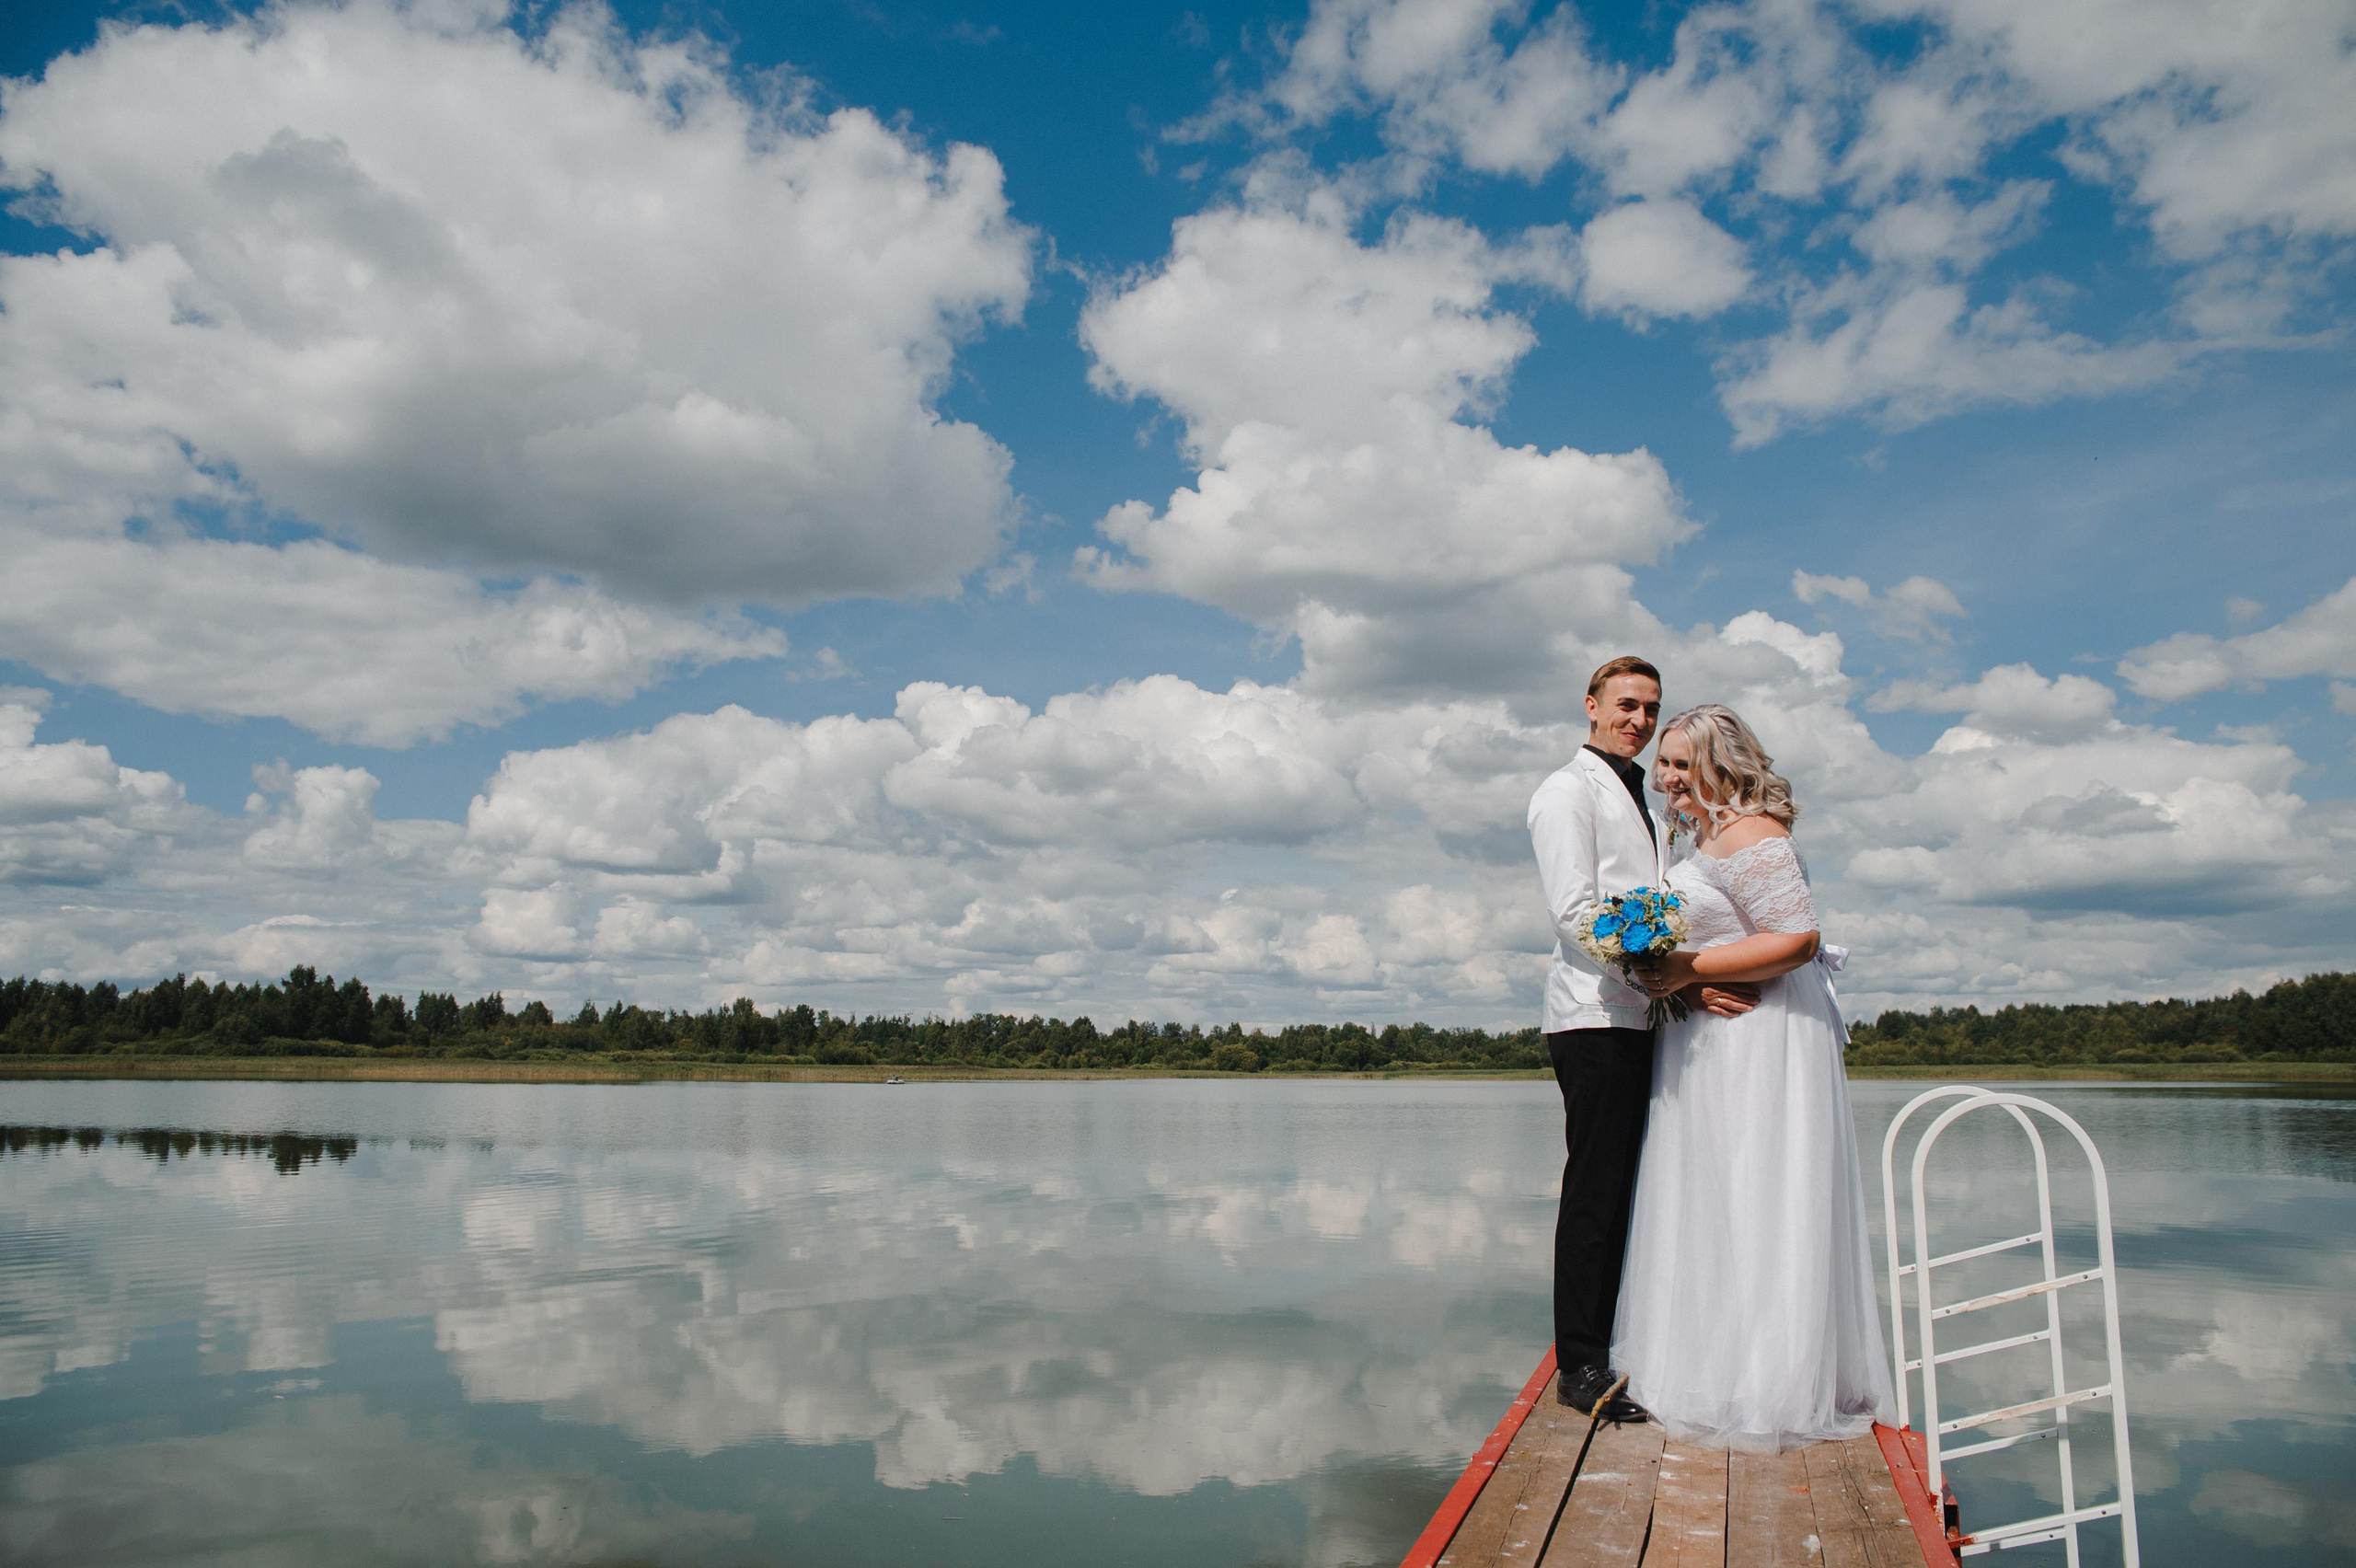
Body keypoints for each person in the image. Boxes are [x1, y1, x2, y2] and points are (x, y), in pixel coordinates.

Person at [1611, 704, 1897, 1450]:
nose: (1667, 777)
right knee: (1712, 1195)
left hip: (1761, 1040)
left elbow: (1797, 939)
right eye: (1665, 763)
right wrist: (1663, 972)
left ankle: (1771, 1380)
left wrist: (1684, 968)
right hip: (1708, 1041)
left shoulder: (1753, 834)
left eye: (1681, 763)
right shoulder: (1700, 836)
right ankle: (1711, 1364)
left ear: (1721, 765)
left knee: (1758, 1190)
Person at [1527, 658, 1754, 1421]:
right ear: (1590, 706)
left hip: (1639, 1013)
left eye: (1651, 709)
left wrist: (1675, 982)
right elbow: (1573, 911)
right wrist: (1673, 976)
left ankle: (1625, 1341)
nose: (1639, 719)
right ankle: (1581, 1366)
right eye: (1625, 705)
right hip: (1594, 1016)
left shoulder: (1645, 798)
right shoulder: (1565, 792)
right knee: (1596, 1190)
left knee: (1634, 1186)